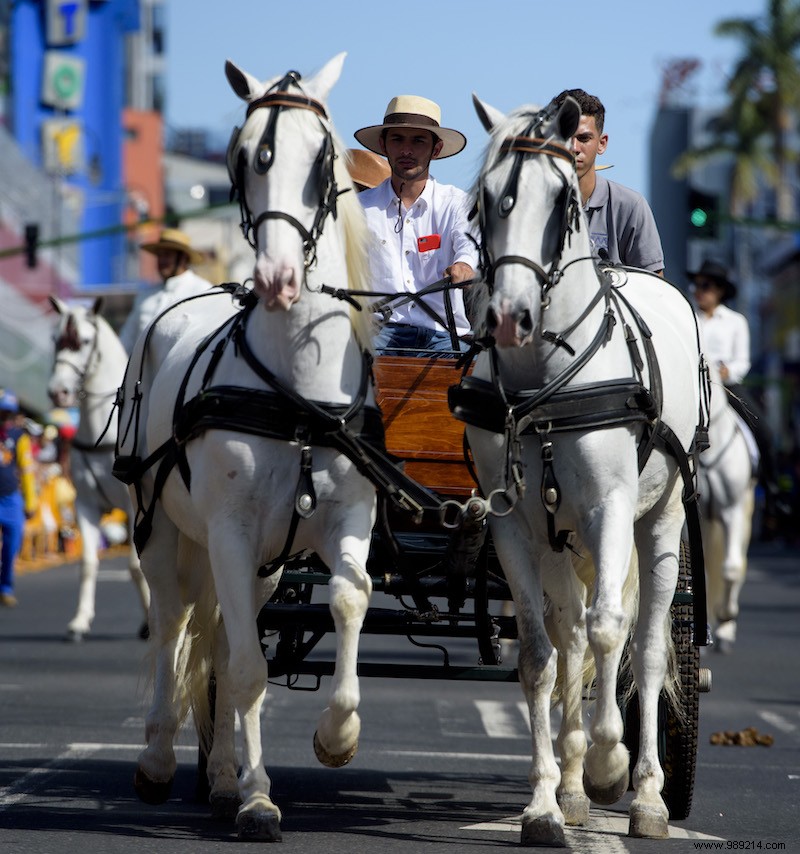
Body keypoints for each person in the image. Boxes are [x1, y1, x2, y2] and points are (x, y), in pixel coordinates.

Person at [354, 95, 478, 354]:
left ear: (435, 149)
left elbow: (468, 243)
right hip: (378, 331)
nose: (406, 150)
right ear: (383, 145)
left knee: (478, 381)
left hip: (442, 332)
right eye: (397, 139)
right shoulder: (359, 208)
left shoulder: (456, 203)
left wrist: (465, 265)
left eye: (418, 140)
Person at [688, 259, 787, 519]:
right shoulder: (688, 317)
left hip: (726, 387)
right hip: (691, 385)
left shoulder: (735, 321)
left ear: (719, 290)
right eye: (696, 284)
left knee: (763, 431)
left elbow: (742, 362)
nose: (698, 290)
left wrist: (725, 372)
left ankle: (772, 492)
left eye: (705, 285)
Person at [552, 88, 664, 275]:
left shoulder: (630, 206)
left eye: (584, 138)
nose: (574, 147)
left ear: (602, 143)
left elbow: (656, 291)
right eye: (565, 137)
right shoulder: (533, 205)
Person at [119, 228, 213, 353]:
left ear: (183, 258)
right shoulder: (145, 296)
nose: (162, 261)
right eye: (159, 255)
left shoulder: (203, 291)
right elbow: (126, 342)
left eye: (167, 255)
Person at [0, 389, 38, 607]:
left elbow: (27, 470)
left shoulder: (18, 436)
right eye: (2, 412)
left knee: (12, 545)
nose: (5, 417)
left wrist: (30, 501)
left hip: (11, 499)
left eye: (9, 413)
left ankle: (5, 587)